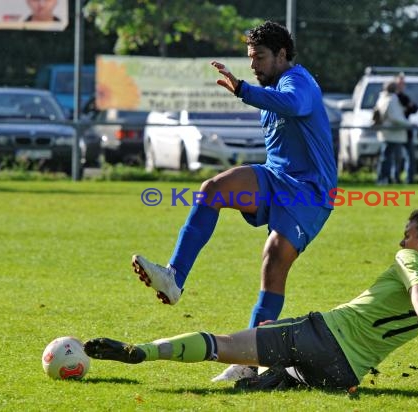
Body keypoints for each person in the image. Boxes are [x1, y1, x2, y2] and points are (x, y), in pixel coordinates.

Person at [131, 21, 337, 382]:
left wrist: (242, 89)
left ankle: (249, 360)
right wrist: (247, 90)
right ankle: (173, 277)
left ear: (282, 55)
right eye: (250, 58)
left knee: (273, 263)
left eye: (259, 57)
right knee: (213, 189)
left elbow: (295, 104)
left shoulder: (298, 81)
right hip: (275, 179)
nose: (253, 65)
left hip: (310, 194)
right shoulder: (269, 86)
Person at [85, 209, 418, 392]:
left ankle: (141, 353)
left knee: (225, 344)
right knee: (288, 368)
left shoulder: (412, 261)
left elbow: (417, 290)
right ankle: (278, 379)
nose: (402, 242)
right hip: (341, 375)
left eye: (408, 235)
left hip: (321, 335)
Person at [375, 81, 411, 184]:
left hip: (387, 133)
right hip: (393, 134)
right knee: (391, 159)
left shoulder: (381, 99)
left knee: (387, 158)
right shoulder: (392, 100)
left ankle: (386, 178)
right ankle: (385, 179)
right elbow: (395, 117)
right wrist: (408, 124)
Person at [395, 73, 418, 184]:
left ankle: (408, 179)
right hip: (395, 131)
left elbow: (414, 108)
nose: (401, 85)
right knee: (396, 157)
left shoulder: (404, 97)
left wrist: (409, 107)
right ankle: (395, 178)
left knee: (410, 157)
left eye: (403, 83)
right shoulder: (393, 98)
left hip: (405, 131)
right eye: (399, 83)